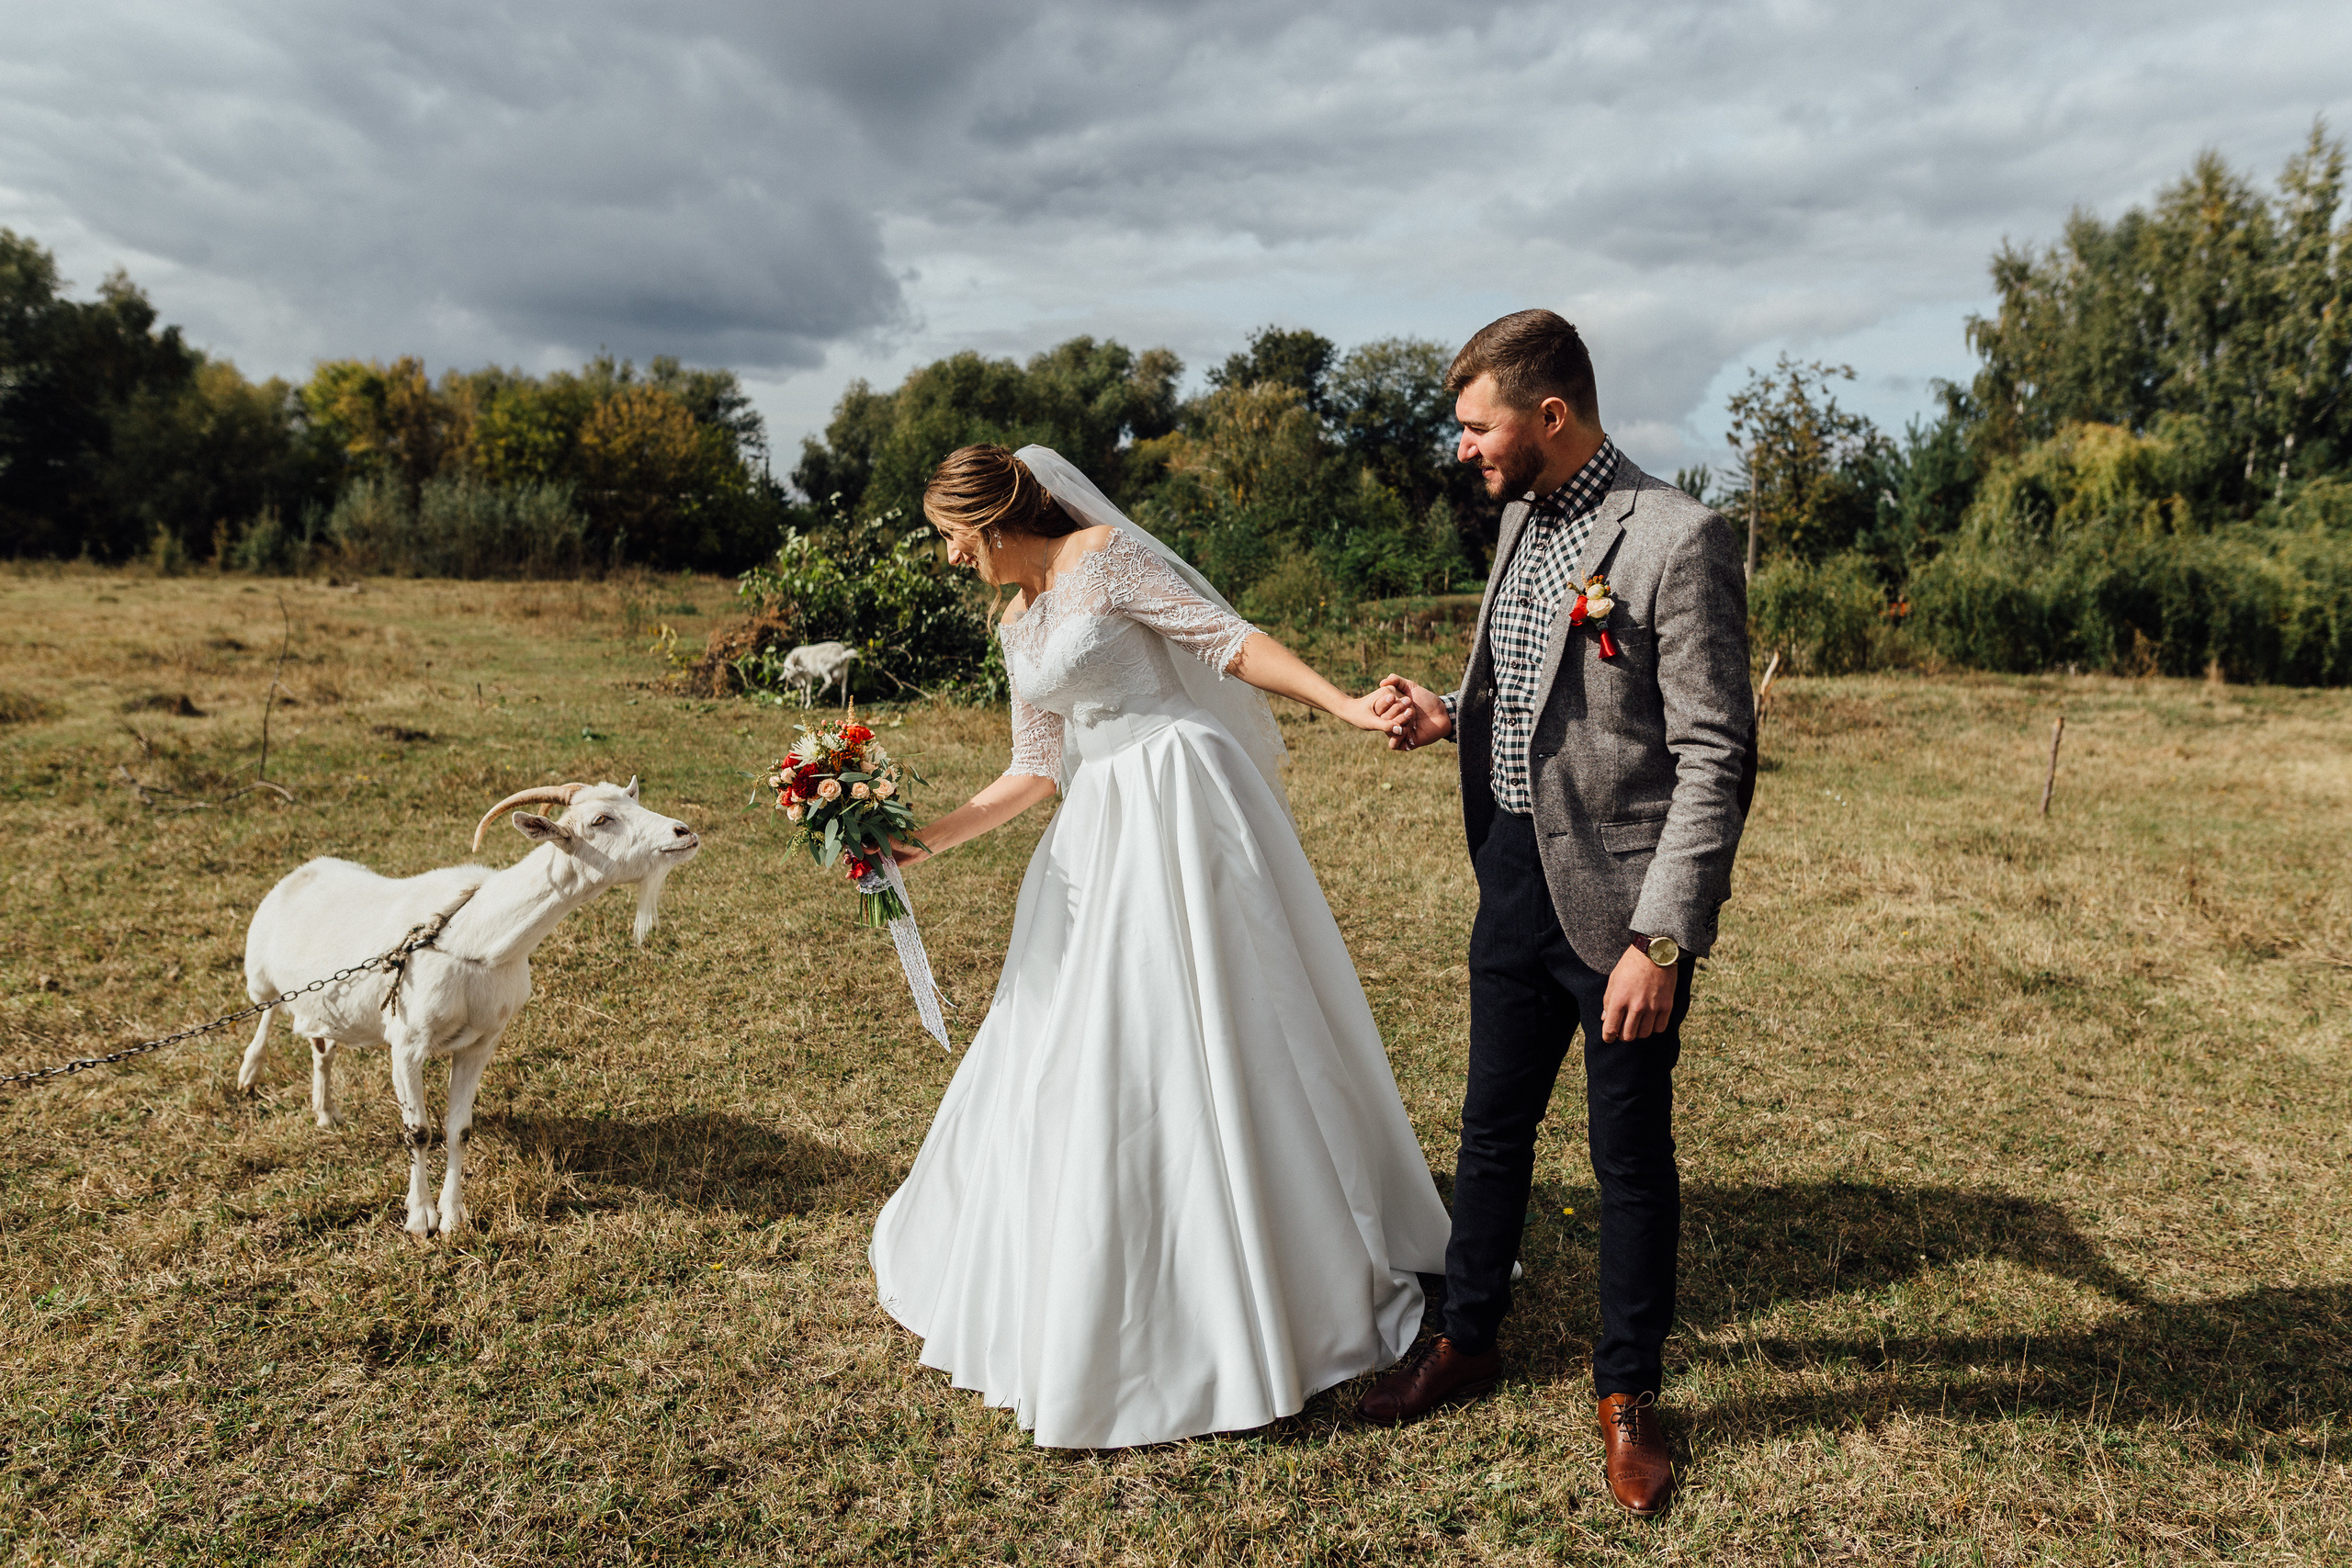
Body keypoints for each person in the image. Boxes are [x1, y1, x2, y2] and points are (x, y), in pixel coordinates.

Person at [869, 443, 1452, 1450]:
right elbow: (1032, 768)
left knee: (1219, 1015)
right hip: (1094, 823)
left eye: (955, 542)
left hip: (1180, 795)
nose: (952, 562)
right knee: (1084, 1031)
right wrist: (918, 842)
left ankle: (1275, 1247)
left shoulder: (1104, 557)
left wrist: (1346, 705)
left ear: (996, 522)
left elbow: (1227, 642)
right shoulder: (1016, 622)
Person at [1363, 310, 1752, 1517]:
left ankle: (1627, 1394)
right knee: (1490, 1130)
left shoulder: (1677, 539)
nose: (1466, 450)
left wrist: (1662, 939)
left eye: (1479, 427)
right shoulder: (1524, 516)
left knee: (1628, 1160)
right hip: (1515, 879)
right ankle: (1465, 1336)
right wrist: (1447, 710)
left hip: (1625, 910)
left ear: (1549, 416)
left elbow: (1715, 755)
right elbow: (1518, 683)